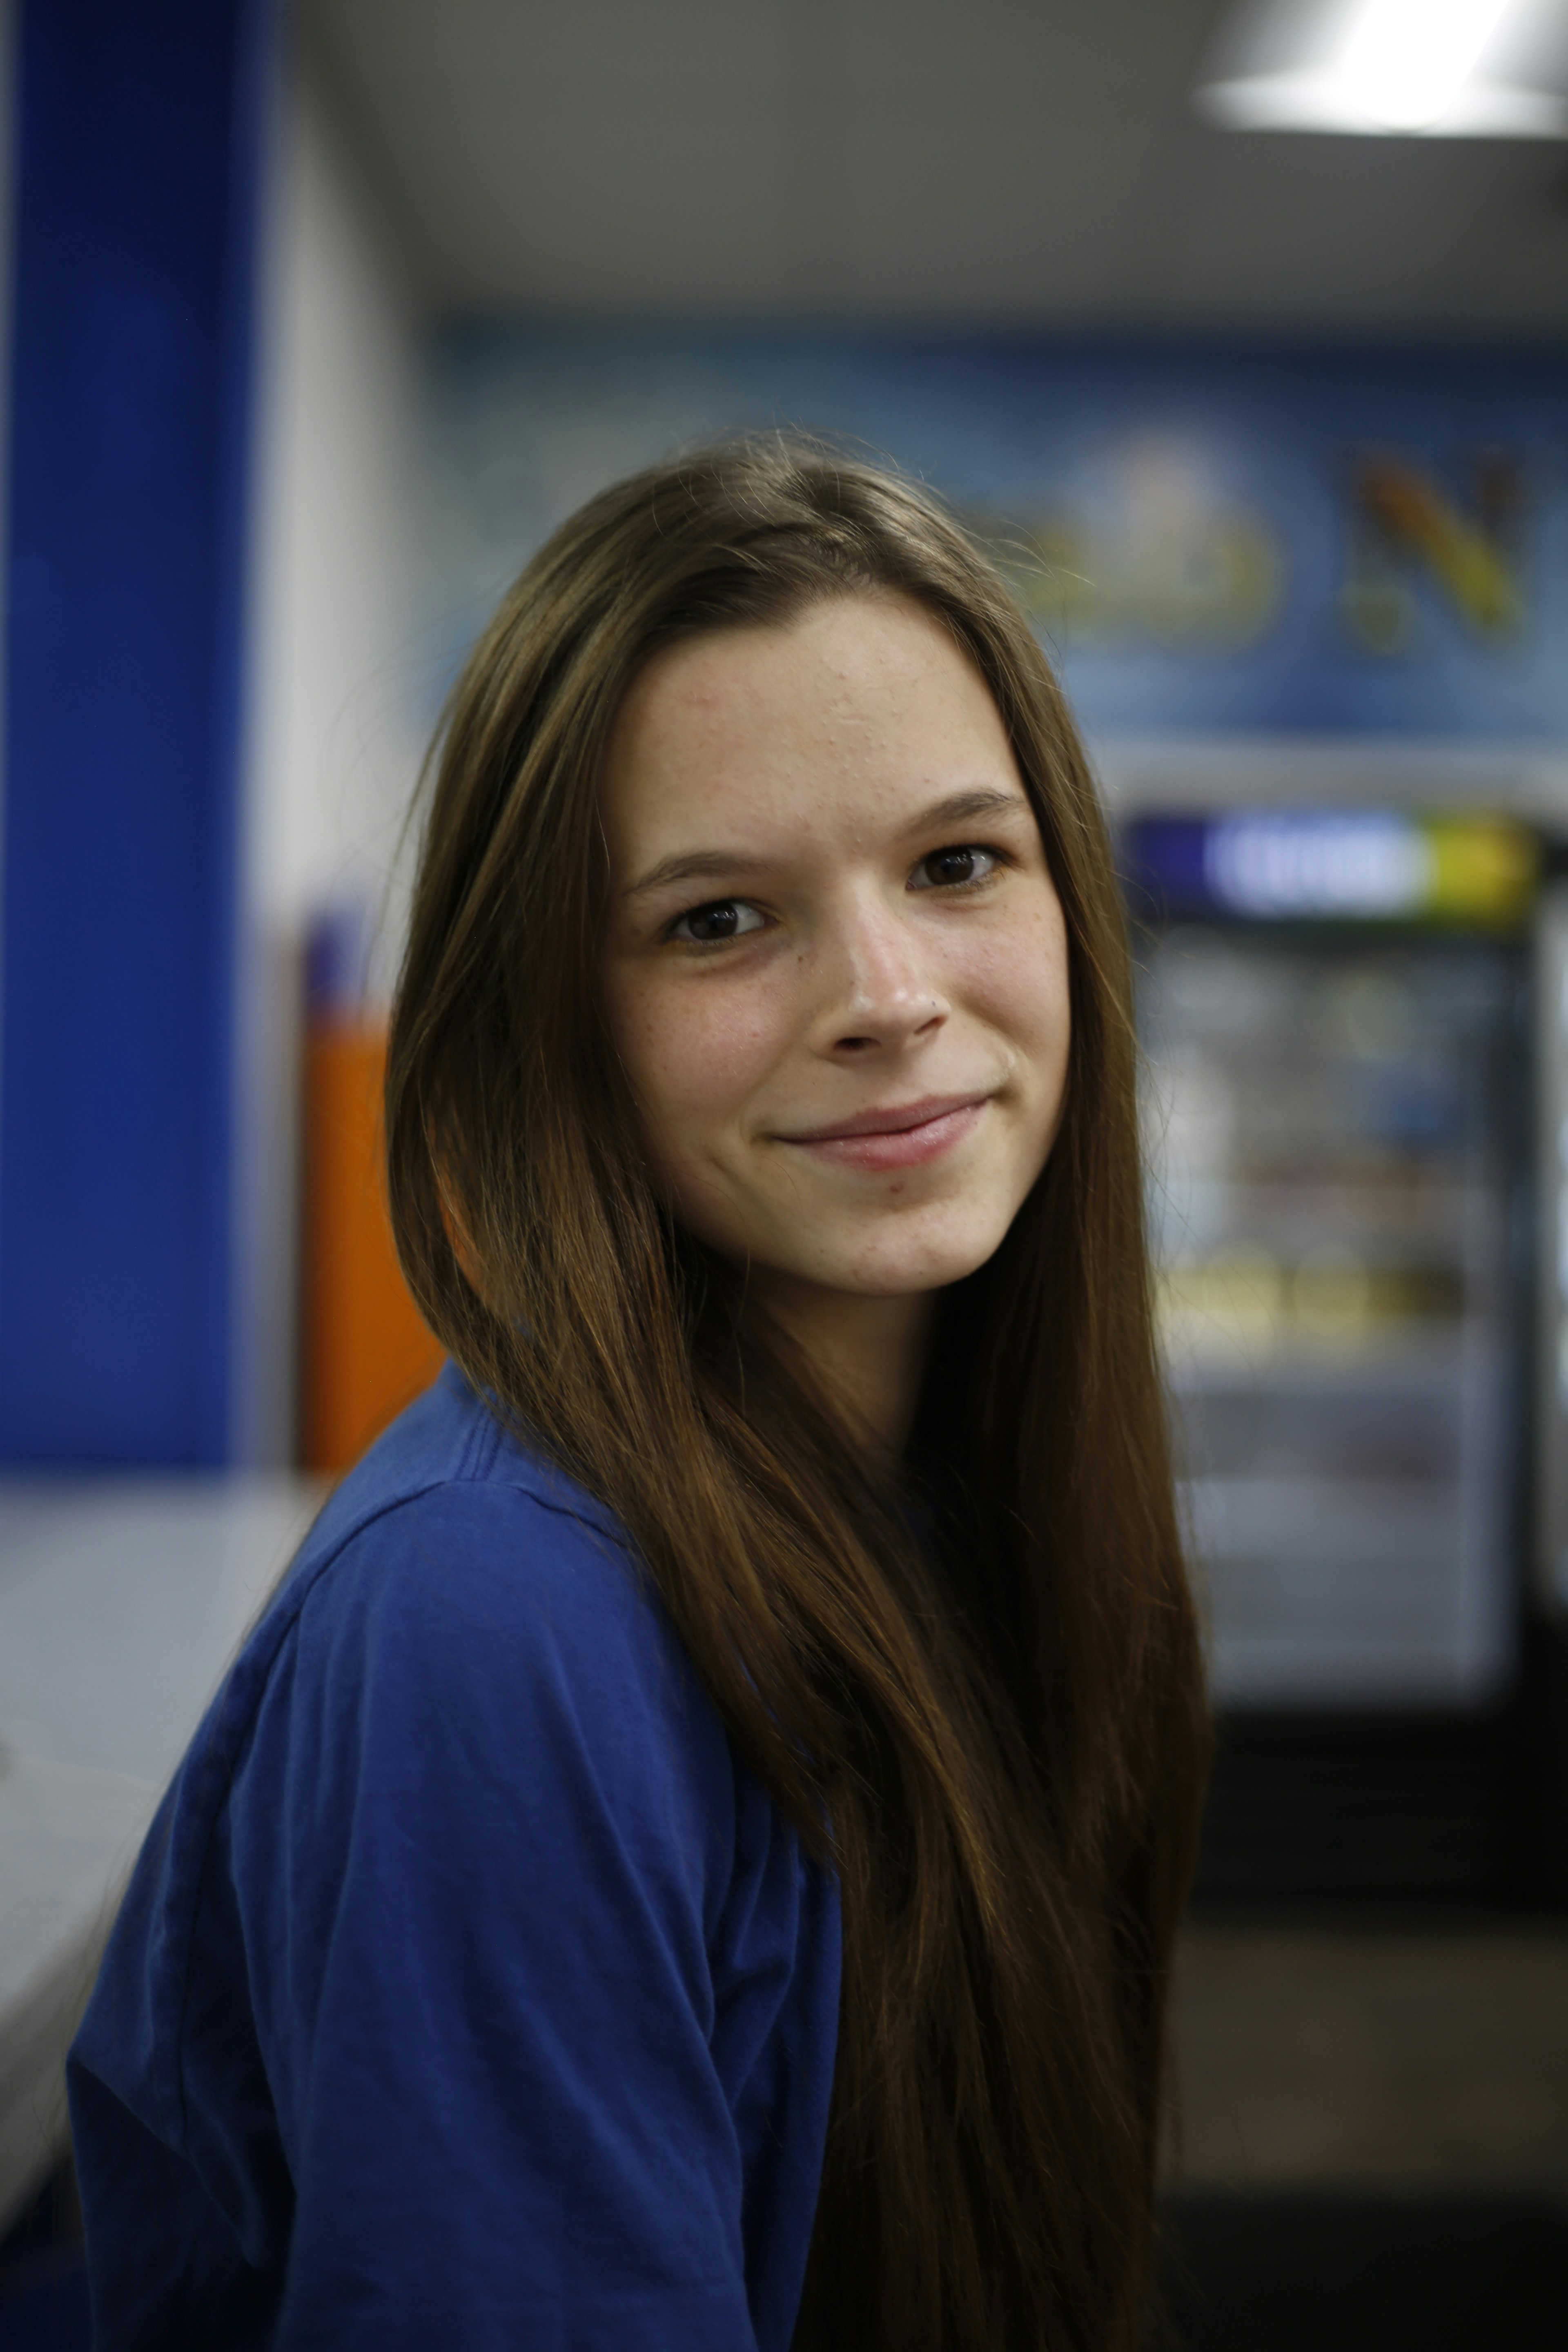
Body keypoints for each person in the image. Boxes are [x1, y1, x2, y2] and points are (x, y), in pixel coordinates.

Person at [68, 439, 1209, 2350]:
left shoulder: (974, 1506)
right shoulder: (498, 1625)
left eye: (955, 863)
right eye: (718, 920)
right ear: (558, 1025)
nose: (886, 991)